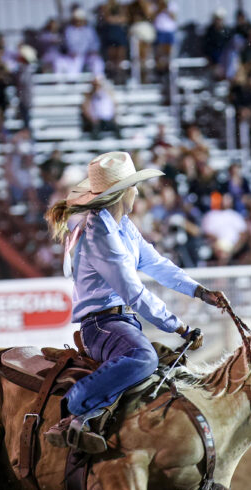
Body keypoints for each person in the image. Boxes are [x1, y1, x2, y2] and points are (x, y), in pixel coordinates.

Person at [43, 152, 229, 453]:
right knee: (144, 358)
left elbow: (158, 265)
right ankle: (73, 405)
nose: (138, 192)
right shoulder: (99, 234)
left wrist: (199, 292)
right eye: (133, 186)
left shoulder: (123, 227)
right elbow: (135, 293)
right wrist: (179, 327)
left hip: (118, 322)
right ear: (121, 193)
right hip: (101, 325)